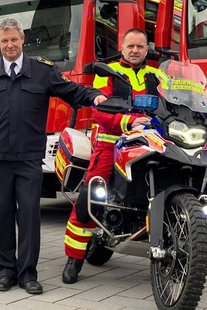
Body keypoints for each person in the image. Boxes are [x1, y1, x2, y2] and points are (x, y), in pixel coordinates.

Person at [0, 17, 106, 295]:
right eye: (4, 40)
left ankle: (28, 274)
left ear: (23, 40)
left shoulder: (42, 71)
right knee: (0, 215)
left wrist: (94, 97)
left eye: (14, 39)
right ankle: (5, 272)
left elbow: (71, 91)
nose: (9, 45)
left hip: (29, 158)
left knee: (29, 217)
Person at [61, 28, 167, 284]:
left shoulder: (158, 75)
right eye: (130, 46)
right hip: (111, 144)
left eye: (140, 46)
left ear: (146, 48)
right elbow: (100, 112)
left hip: (151, 143)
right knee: (90, 197)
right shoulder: (108, 73)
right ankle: (74, 259)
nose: (135, 50)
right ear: (122, 47)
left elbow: (175, 103)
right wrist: (129, 121)